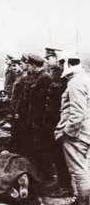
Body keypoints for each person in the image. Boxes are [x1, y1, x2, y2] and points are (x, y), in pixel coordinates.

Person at [54, 51, 90, 205]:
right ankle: (80, 203)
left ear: (68, 63)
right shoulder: (84, 78)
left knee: (79, 171)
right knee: (81, 170)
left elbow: (77, 113)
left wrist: (68, 132)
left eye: (62, 63)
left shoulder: (75, 82)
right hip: (84, 132)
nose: (60, 67)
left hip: (77, 134)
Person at [42, 62, 71, 197]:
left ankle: (65, 186)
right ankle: (60, 182)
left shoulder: (64, 78)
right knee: (55, 153)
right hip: (51, 123)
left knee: (60, 155)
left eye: (51, 57)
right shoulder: (54, 74)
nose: (48, 60)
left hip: (59, 122)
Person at [26, 54, 53, 184]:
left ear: (33, 65)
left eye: (29, 65)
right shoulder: (38, 76)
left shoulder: (44, 78)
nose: (27, 67)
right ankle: (41, 176)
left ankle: (47, 178)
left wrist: (37, 120)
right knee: (37, 148)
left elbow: (42, 103)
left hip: (41, 120)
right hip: (35, 119)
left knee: (42, 149)